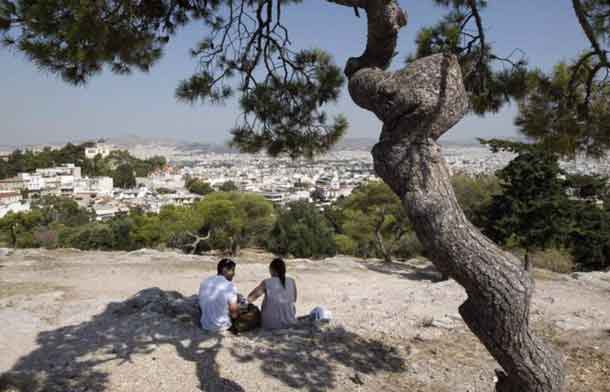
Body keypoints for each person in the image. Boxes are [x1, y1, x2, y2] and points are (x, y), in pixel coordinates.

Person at [248, 258, 297, 330]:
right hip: (290, 322)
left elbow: (250, 298)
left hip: (270, 324)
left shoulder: (267, 282)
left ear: (272, 270)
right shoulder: (292, 281)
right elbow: (294, 299)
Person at [198, 258, 241, 332]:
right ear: (224, 270)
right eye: (232, 270)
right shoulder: (229, 285)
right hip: (222, 326)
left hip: (204, 324)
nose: (234, 274)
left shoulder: (205, 281)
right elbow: (233, 313)